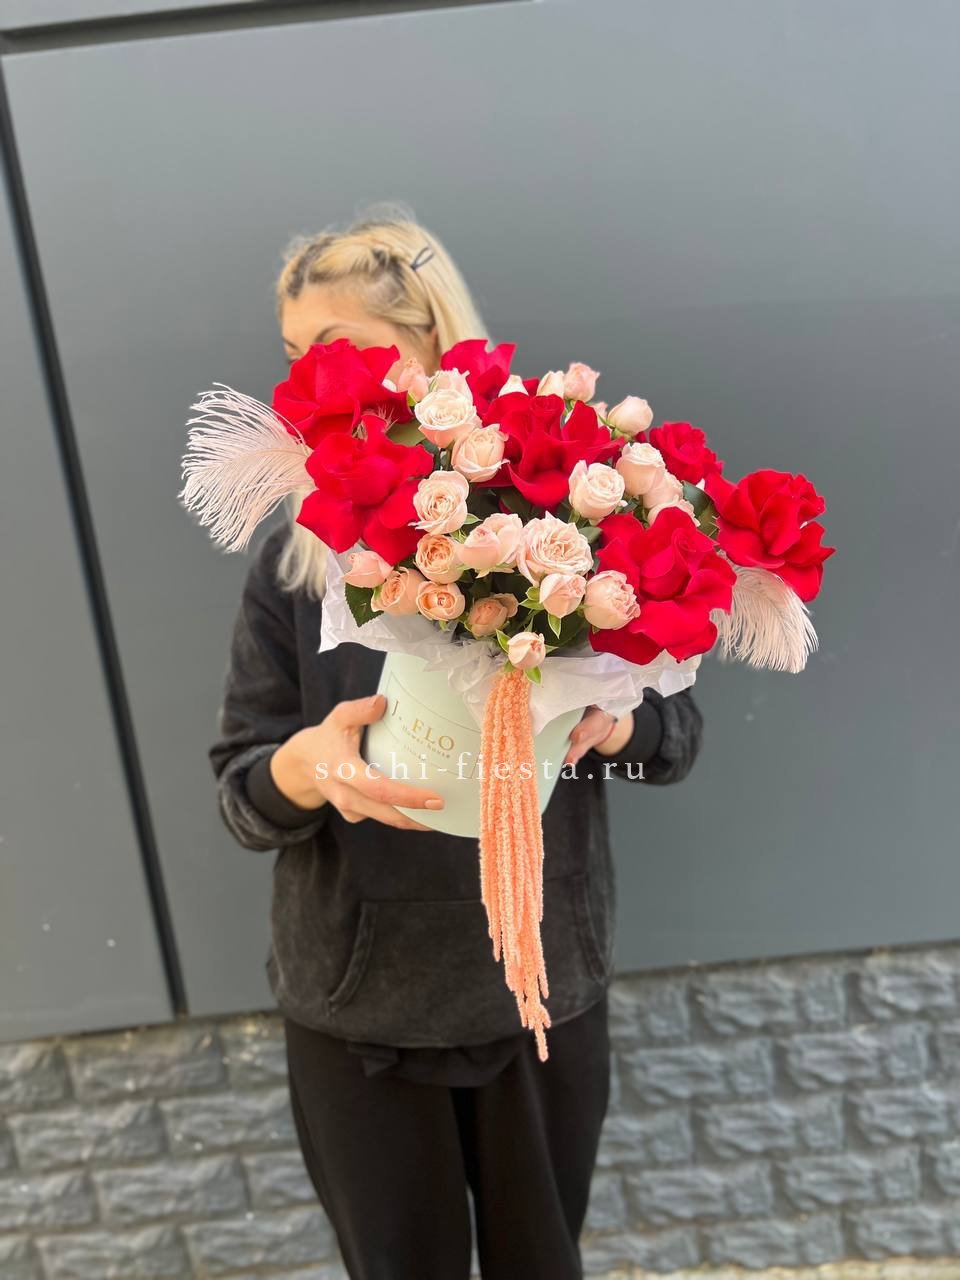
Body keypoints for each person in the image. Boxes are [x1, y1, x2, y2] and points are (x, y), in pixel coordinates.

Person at [208, 205, 705, 1280]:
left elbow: (672, 739)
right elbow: (242, 789)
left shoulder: (562, 520)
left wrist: (615, 726)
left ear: (428, 340)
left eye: (336, 348)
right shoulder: (298, 556)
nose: (306, 382)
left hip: (536, 988)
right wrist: (308, 769)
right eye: (293, 355)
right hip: (357, 1005)